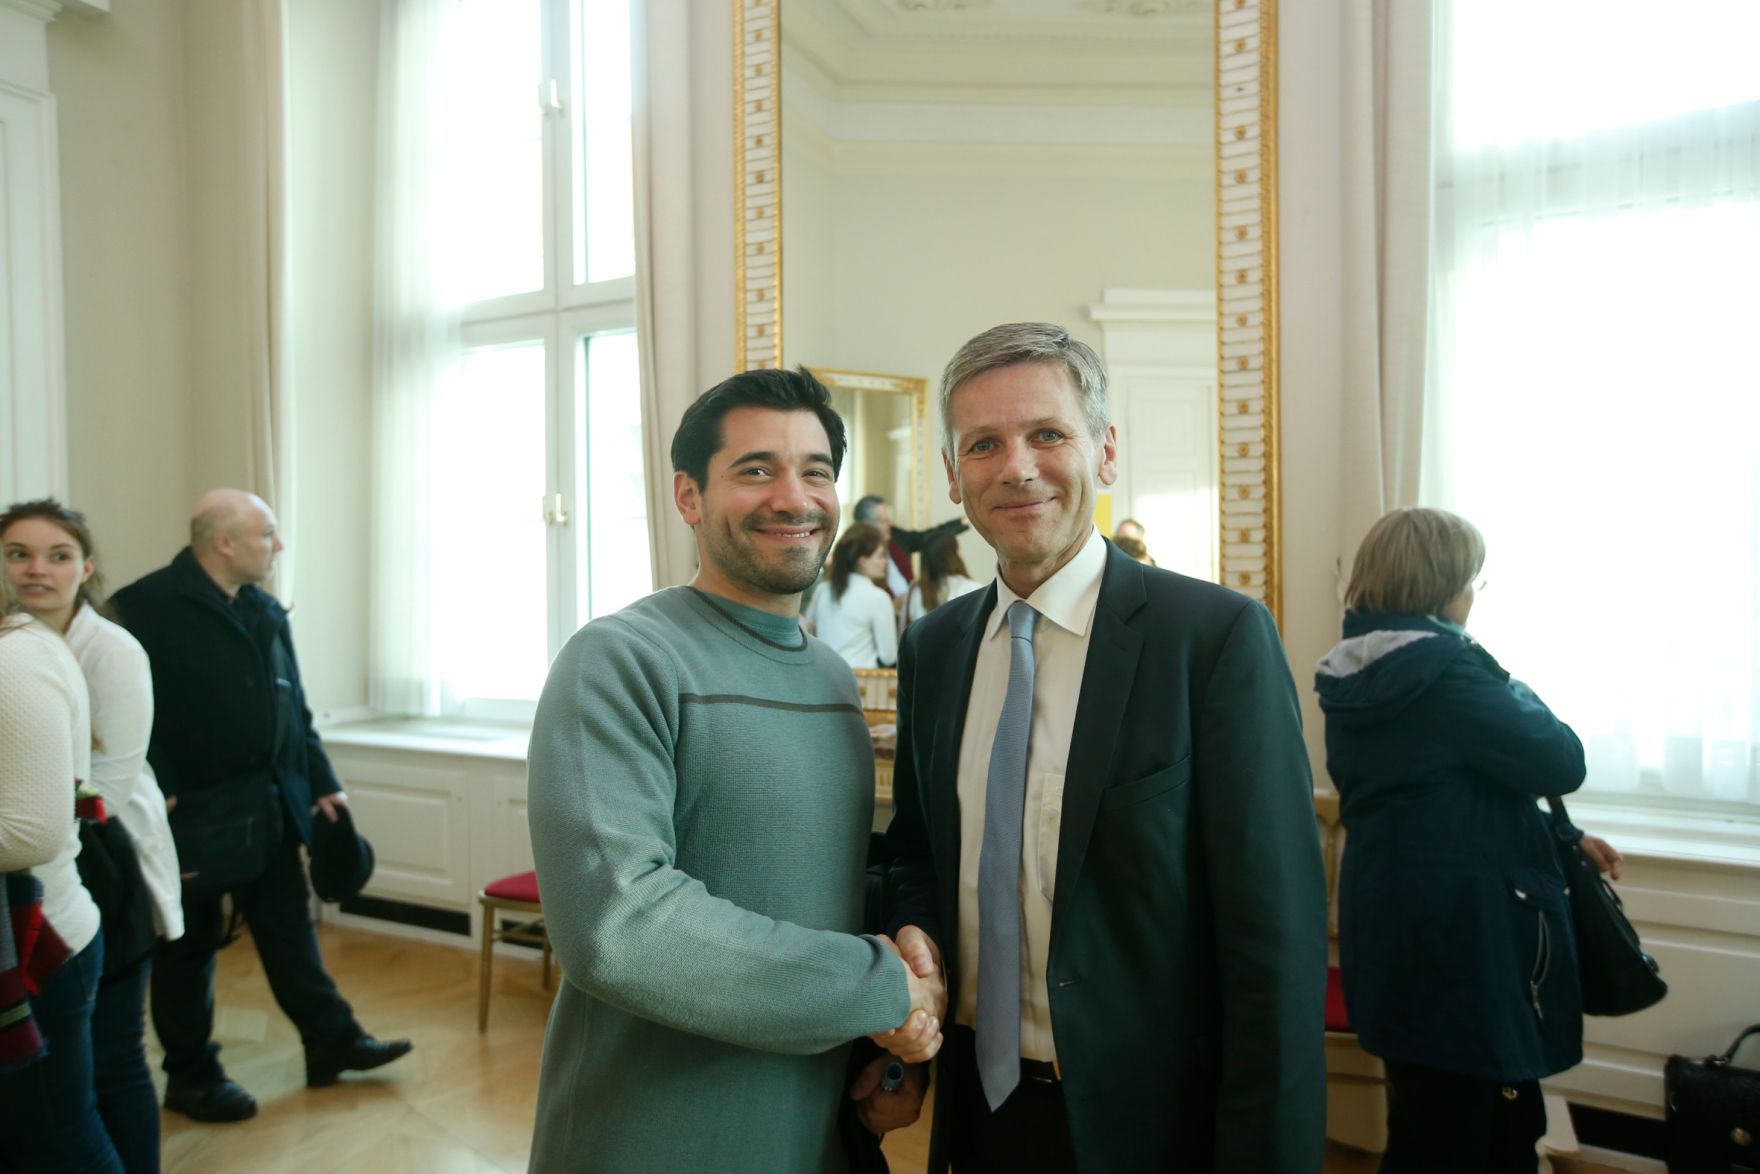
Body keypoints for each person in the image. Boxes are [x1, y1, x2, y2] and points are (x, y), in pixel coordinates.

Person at [876, 322, 1328, 1171]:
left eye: (1048, 434)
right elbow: (918, 853)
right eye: (984, 444)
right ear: (951, 477)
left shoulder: (1212, 640)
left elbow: (1275, 950)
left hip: (1151, 1128)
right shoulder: (933, 650)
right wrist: (914, 931)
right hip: (978, 1116)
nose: (1017, 466)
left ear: (1105, 451)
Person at [525, 367, 945, 1173]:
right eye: (756, 470)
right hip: (653, 1131)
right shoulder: (621, 659)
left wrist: (888, 1055)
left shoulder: (828, 677)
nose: (794, 496)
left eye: (815, 471)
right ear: (689, 496)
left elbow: (823, 889)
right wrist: (880, 987)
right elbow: (619, 923)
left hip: (815, 1122)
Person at [1315, 507, 1621, 1173]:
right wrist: (1503, 675)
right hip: (1467, 938)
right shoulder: (1448, 672)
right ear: (1445, 586)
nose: (1474, 596)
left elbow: (1431, 801)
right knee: (1486, 1133)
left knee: (1431, 1120)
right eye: (1474, 581)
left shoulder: (1355, 670)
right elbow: (1562, 759)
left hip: (1398, 927)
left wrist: (1555, 833)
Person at [110, 490, 411, 1123]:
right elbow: (122, 715)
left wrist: (322, 782)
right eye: (267, 533)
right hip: (190, 816)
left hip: (273, 806)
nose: (277, 546)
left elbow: (291, 707)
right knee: (186, 952)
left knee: (288, 932)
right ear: (223, 542)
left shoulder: (265, 609)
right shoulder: (143, 608)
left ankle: (332, 1040)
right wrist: (159, 783)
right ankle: (191, 1076)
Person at [3, 500, 182, 1171]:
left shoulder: (111, 650)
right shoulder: (20, 642)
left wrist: (39, 807)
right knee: (66, 1079)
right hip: (54, 855)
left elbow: (106, 781)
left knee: (113, 1055)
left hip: (105, 853)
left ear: (87, 566)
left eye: (57, 555)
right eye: (18, 553)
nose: (36, 569)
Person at [0, 601, 118, 1170]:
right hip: (33, 934)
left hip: (39, 945)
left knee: (55, 1139)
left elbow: (31, 833)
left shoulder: (13, 656)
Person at [803, 524, 898, 669]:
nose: (885, 561)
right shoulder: (878, 597)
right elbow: (888, 656)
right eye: (880, 556)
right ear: (863, 562)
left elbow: (808, 631)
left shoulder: (823, 590)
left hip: (823, 675)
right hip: (863, 682)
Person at [852, 494, 967, 597]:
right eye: (884, 521)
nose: (889, 524)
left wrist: (963, 522)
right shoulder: (855, 558)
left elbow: (926, 537)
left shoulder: (895, 536)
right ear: (866, 525)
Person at [900, 530, 980, 626]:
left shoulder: (913, 591)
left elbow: (904, 634)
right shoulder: (973, 589)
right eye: (958, 550)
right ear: (952, 556)